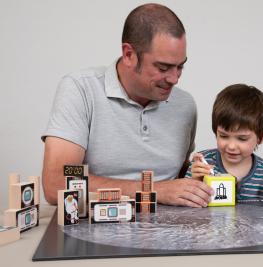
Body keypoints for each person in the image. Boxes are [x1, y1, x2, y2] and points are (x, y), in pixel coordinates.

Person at [41, 3, 213, 208]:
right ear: (129, 54)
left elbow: (181, 177)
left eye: (180, 66)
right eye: (163, 67)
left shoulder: (185, 105)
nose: (174, 79)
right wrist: (155, 190)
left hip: (170, 232)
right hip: (97, 229)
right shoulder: (80, 89)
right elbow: (55, 184)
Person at [185, 84, 263, 200]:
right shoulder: (202, 164)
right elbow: (186, 209)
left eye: (242, 138)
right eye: (224, 136)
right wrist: (195, 182)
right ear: (216, 132)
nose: (231, 146)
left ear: (262, 135)